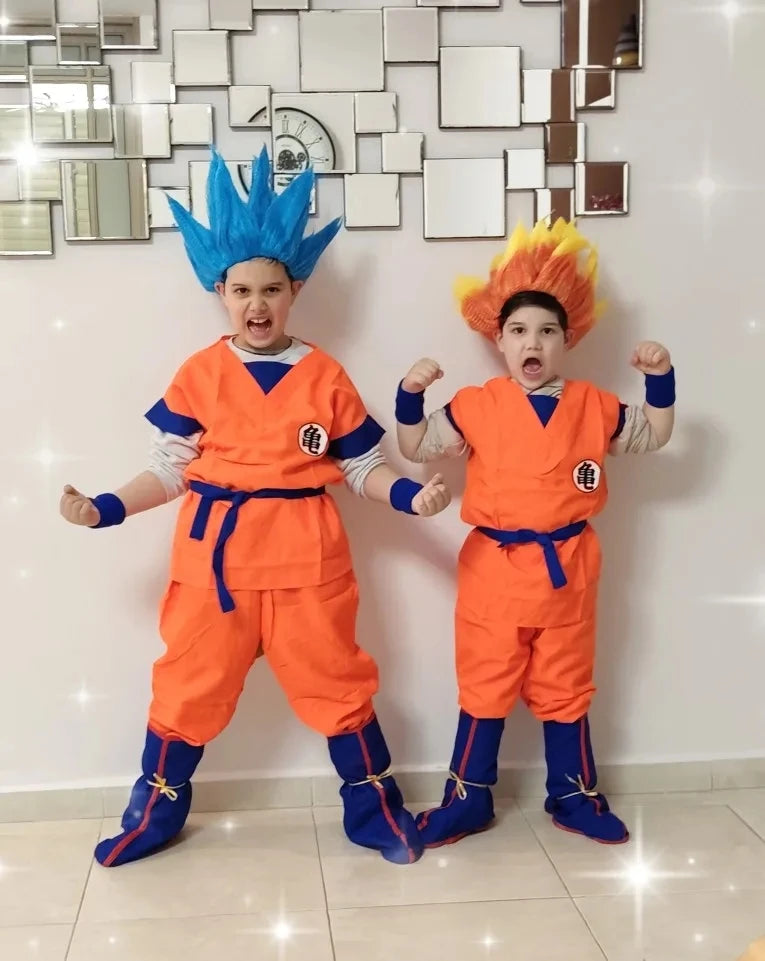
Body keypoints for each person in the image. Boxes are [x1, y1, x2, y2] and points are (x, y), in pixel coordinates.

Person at [60, 147, 450, 867]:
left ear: (295, 289)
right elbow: (169, 468)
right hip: (215, 569)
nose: (257, 304)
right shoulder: (200, 373)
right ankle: (152, 816)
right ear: (220, 291)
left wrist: (410, 496)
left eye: (271, 289)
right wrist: (105, 507)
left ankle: (374, 814)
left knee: (339, 684)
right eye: (241, 290)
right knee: (186, 689)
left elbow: (362, 465)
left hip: (307, 565)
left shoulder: (324, 374)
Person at [394, 218, 675, 847]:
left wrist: (660, 378)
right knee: (485, 682)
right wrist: (410, 394)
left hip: (568, 572)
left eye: (547, 331)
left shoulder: (595, 406)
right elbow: (415, 447)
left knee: (567, 683)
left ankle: (573, 795)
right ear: (498, 339)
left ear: (566, 339)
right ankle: (467, 799)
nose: (533, 342)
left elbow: (654, 434)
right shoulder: (476, 405)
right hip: (495, 573)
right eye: (519, 330)